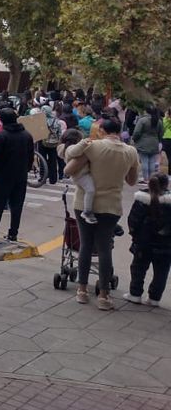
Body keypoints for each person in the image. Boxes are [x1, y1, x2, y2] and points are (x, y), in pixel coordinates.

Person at [64, 118, 140, 310]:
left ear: (102, 130)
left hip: (84, 204)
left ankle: (82, 290)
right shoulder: (131, 152)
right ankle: (104, 296)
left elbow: (69, 169)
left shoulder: (93, 147)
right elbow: (132, 181)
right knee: (105, 248)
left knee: (85, 246)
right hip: (111, 206)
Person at [0, 108, 34, 242]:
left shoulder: (3, 135)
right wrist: (25, 170)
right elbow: (31, 157)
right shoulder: (27, 135)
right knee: (17, 206)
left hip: (3, 175)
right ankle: (13, 234)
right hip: (20, 176)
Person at [123, 173, 171, 306]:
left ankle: (135, 294)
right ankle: (154, 298)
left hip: (143, 243)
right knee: (161, 271)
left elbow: (133, 220)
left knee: (138, 268)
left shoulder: (141, 200)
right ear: (166, 185)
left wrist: (134, 235)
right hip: (166, 245)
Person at [133, 106, 164, 183]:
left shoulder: (142, 120)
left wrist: (135, 139)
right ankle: (151, 178)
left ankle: (145, 178)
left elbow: (137, 132)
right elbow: (161, 133)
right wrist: (158, 141)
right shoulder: (159, 121)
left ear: (146, 111)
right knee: (152, 162)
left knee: (144, 161)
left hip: (143, 143)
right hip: (154, 143)